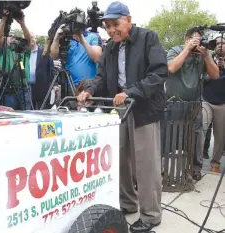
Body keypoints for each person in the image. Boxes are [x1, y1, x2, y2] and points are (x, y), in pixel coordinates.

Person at [77, 2, 167, 232]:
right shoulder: (110, 47)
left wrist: (130, 93)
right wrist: (90, 91)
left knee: (145, 165)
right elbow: (101, 77)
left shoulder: (149, 38)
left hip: (144, 109)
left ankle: (151, 215)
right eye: (107, 26)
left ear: (128, 19)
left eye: (115, 24)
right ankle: (128, 203)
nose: (111, 30)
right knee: (120, 161)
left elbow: (158, 73)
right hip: (119, 110)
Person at [165, 27, 219, 180]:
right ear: (186, 39)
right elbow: (171, 68)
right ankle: (168, 168)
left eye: (201, 41)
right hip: (173, 103)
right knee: (171, 137)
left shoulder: (202, 55)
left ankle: (195, 168)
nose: (199, 44)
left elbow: (215, 75)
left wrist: (206, 56)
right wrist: (187, 50)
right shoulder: (175, 50)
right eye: (196, 40)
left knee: (195, 137)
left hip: (194, 104)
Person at [50, 8, 103, 87]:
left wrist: (82, 40)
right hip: (68, 87)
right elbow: (54, 57)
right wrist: (56, 38)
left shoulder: (93, 36)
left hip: (88, 87)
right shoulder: (66, 38)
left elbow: (97, 58)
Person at [0, 9, 33, 110]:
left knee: (27, 115)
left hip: (24, 87)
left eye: (14, 36)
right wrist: (3, 19)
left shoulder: (23, 50)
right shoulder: (3, 51)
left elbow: (29, 40)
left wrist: (22, 23)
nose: (13, 37)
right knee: (9, 114)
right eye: (10, 36)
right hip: (8, 88)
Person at [201, 35, 225, 173]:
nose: (220, 45)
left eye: (222, 43)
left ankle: (215, 163)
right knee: (201, 127)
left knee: (220, 135)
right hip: (206, 100)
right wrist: (213, 71)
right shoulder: (206, 59)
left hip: (222, 103)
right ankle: (196, 162)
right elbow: (201, 78)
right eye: (217, 44)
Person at [28, 32, 54, 109]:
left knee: (41, 111)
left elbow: (51, 69)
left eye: (32, 37)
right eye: (28, 38)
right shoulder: (23, 53)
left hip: (42, 88)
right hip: (27, 88)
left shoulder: (44, 52)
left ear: (36, 39)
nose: (31, 39)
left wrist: (54, 85)